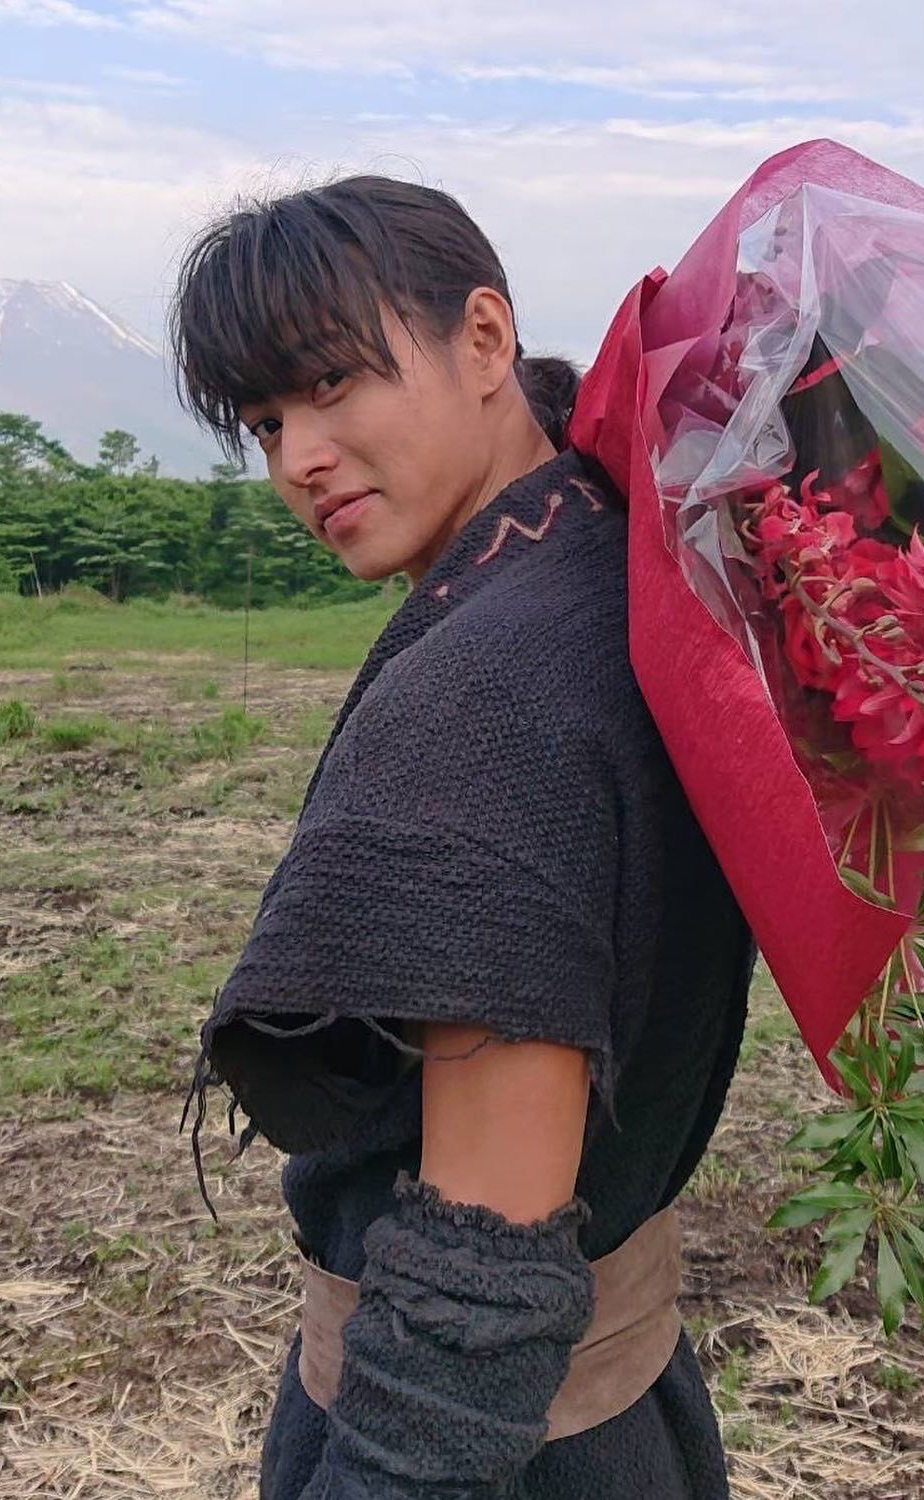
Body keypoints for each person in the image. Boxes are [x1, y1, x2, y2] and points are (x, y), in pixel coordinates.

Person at [170, 176, 755, 1500]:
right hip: (624, 1403)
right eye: (265, 422)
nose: (296, 458)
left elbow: (477, 1277)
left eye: (330, 386)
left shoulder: (485, 696)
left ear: (484, 341)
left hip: (501, 1452)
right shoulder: (626, 564)